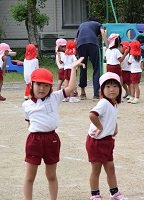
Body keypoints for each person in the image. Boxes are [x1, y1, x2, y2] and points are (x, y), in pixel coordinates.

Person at [22, 58, 84, 200]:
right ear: (31, 84)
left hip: (52, 139)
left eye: (46, 85)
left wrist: (73, 69)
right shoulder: (26, 105)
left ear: (51, 87)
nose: (42, 88)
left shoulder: (55, 97)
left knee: (51, 175)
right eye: (38, 84)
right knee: (30, 176)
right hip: (34, 140)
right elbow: (28, 122)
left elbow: (70, 88)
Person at [86, 72, 126, 200]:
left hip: (107, 141)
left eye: (115, 86)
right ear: (102, 89)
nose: (112, 89)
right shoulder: (103, 103)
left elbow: (111, 116)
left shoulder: (113, 103)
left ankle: (114, 193)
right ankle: (95, 195)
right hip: (96, 142)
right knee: (96, 169)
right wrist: (100, 127)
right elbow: (92, 115)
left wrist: (114, 127)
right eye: (108, 86)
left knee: (110, 168)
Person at [76, 17, 108, 100]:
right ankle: (96, 94)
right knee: (96, 68)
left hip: (80, 44)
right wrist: (108, 46)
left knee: (83, 67)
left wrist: (75, 52)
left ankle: (83, 93)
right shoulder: (98, 24)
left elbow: (75, 39)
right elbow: (102, 32)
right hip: (93, 43)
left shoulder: (82, 25)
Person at [127, 40, 143, 104]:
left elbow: (128, 63)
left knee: (133, 85)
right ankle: (133, 97)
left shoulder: (131, 56)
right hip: (138, 72)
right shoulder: (140, 56)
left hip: (133, 72)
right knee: (135, 85)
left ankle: (135, 97)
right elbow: (141, 64)